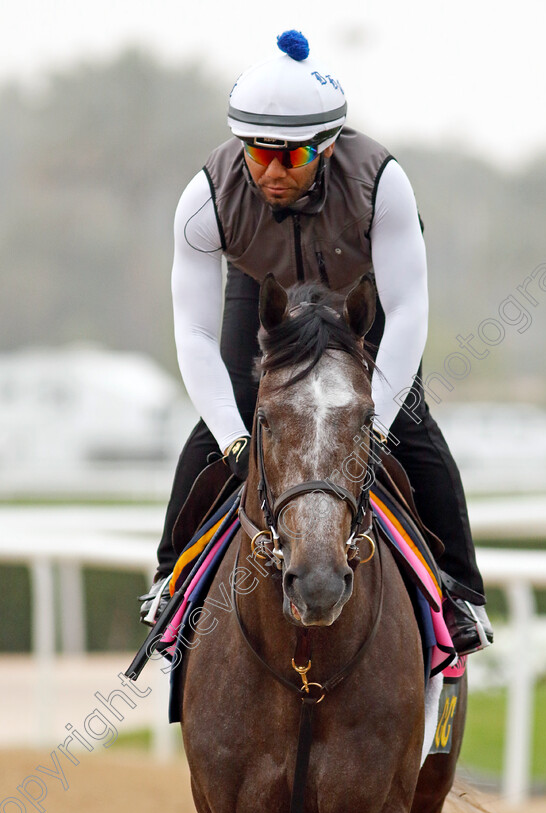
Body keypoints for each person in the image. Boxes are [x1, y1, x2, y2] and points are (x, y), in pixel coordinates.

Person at [139, 30, 493, 656]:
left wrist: (376, 422)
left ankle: (461, 591)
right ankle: (172, 582)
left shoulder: (383, 181)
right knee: (228, 414)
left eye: (292, 159)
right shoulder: (204, 199)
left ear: (327, 150)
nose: (272, 174)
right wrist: (232, 433)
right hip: (265, 292)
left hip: (358, 295)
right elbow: (192, 332)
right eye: (257, 155)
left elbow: (408, 308)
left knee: (409, 421)